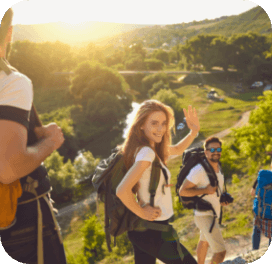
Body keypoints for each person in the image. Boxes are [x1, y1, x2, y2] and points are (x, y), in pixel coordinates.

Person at [0, 7, 67, 264]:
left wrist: (33, 131)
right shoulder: (11, 81)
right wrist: (49, 142)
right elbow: (8, 167)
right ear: (9, 33)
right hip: (18, 221)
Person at [116, 99, 199, 264]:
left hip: (142, 230)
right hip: (152, 230)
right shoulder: (146, 153)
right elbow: (121, 190)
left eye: (163, 123)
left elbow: (177, 149)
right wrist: (142, 212)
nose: (160, 129)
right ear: (141, 125)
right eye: (154, 123)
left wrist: (193, 132)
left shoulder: (148, 148)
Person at [179, 137, 229, 264]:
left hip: (213, 214)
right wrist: (205, 190)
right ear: (206, 152)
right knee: (220, 253)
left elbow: (216, 190)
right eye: (212, 149)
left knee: (204, 241)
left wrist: (222, 199)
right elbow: (182, 191)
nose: (216, 152)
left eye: (218, 149)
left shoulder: (219, 167)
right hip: (204, 215)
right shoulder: (199, 170)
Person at [250, 159, 272, 250]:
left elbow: (252, 192)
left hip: (259, 210)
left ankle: (254, 250)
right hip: (270, 212)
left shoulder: (263, 175)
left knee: (256, 230)